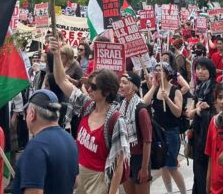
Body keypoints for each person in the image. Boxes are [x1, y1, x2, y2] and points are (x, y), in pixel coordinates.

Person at [51, 37, 129, 194]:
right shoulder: (87, 105)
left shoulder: (116, 120)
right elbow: (61, 80)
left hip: (99, 181)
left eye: (93, 86)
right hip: (78, 176)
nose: (89, 89)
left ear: (106, 92)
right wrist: (56, 55)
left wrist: (112, 192)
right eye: (88, 85)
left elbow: (119, 162)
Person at [12, 89, 78, 194]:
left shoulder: (36, 147)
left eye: (27, 111)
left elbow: (34, 192)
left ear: (32, 114)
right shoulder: (69, 139)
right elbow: (75, 182)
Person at [143, 62, 185, 194]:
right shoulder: (156, 88)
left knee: (171, 166)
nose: (156, 73)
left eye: (160, 70)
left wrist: (167, 99)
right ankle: (169, 191)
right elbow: (144, 102)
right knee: (163, 165)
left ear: (167, 73)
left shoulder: (175, 90)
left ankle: (183, 192)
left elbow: (178, 112)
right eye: (155, 70)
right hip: (158, 133)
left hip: (171, 133)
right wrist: (154, 86)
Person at [186, 57, 216, 194]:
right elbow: (189, 114)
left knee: (209, 171)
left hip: (212, 135)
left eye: (204, 69)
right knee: (198, 171)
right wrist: (197, 110)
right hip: (198, 135)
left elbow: (220, 112)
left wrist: (208, 109)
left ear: (210, 70)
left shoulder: (216, 88)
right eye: (197, 69)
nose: (200, 72)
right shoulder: (198, 89)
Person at [118, 71, 151, 194]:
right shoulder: (121, 105)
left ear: (134, 87)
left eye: (125, 83)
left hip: (140, 158)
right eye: (120, 82)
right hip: (126, 157)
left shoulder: (141, 110)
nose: (120, 85)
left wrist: (144, 168)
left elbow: (148, 142)